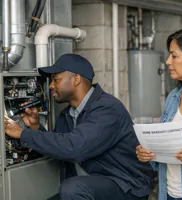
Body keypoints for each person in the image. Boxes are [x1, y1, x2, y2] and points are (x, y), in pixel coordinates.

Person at [4, 54, 155, 200]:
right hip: (91, 185)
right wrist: (35, 128)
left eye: (56, 80)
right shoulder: (67, 115)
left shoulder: (107, 109)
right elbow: (59, 149)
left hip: (125, 185)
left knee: (72, 188)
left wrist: (22, 134)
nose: (50, 86)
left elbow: (74, 148)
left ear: (76, 79)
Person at [136, 27, 182, 200]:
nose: (167, 62)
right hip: (169, 193)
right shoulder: (173, 97)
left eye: (174, 55)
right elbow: (168, 147)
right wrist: (149, 152)